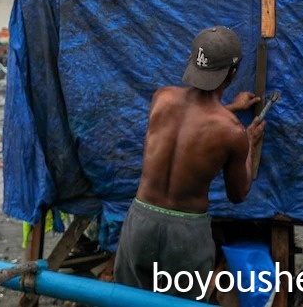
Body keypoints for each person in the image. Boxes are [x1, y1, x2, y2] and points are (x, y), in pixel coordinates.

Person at [114, 26, 266, 300]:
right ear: (232, 74)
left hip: (140, 221)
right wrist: (250, 144)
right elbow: (238, 194)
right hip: (185, 236)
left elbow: (188, 122)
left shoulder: (162, 98)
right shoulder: (232, 132)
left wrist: (229, 108)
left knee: (128, 301)